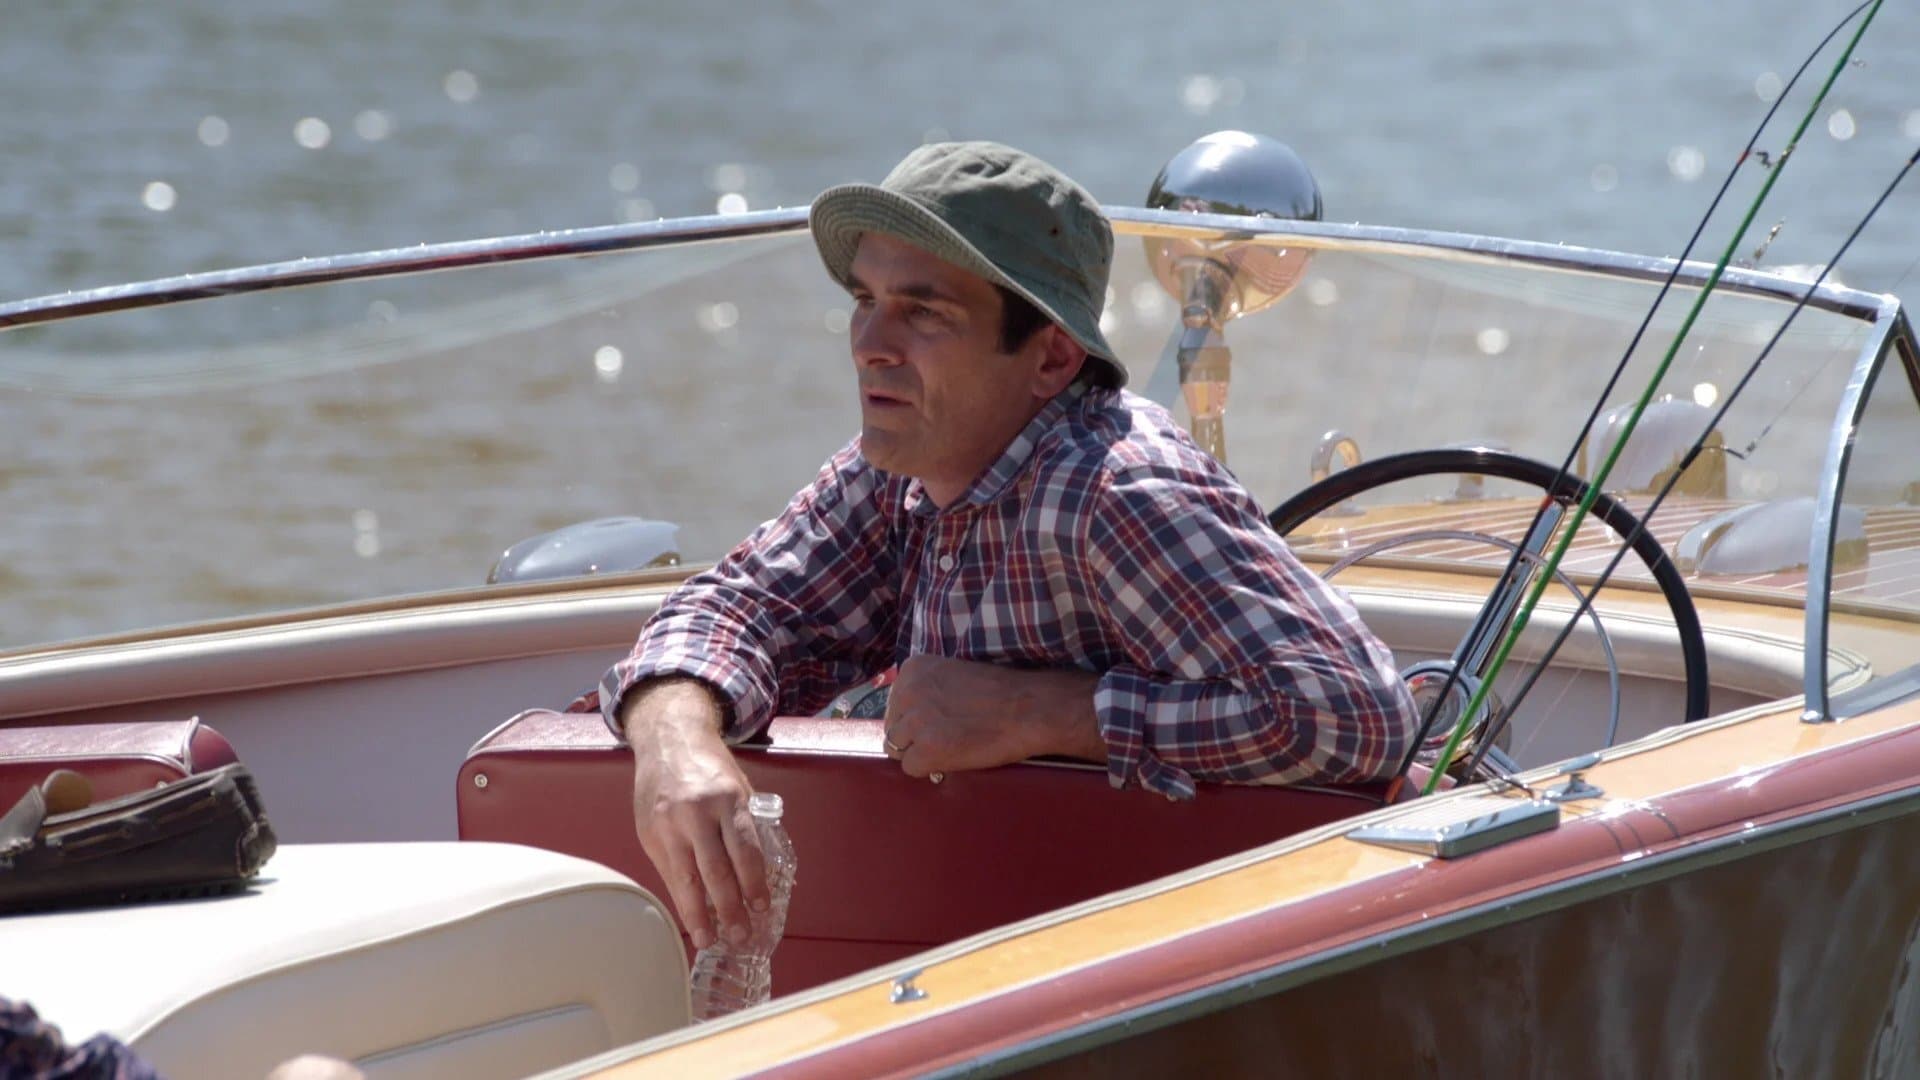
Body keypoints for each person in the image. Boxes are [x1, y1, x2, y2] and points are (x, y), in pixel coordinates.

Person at [591, 141, 1420, 953]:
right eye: (865, 298)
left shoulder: (1117, 490)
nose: (870, 342)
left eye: (924, 312)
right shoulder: (901, 465)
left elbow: (1356, 714)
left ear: (1051, 357)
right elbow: (739, 605)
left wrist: (1043, 714)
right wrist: (677, 740)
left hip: (1153, 963)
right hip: (982, 938)